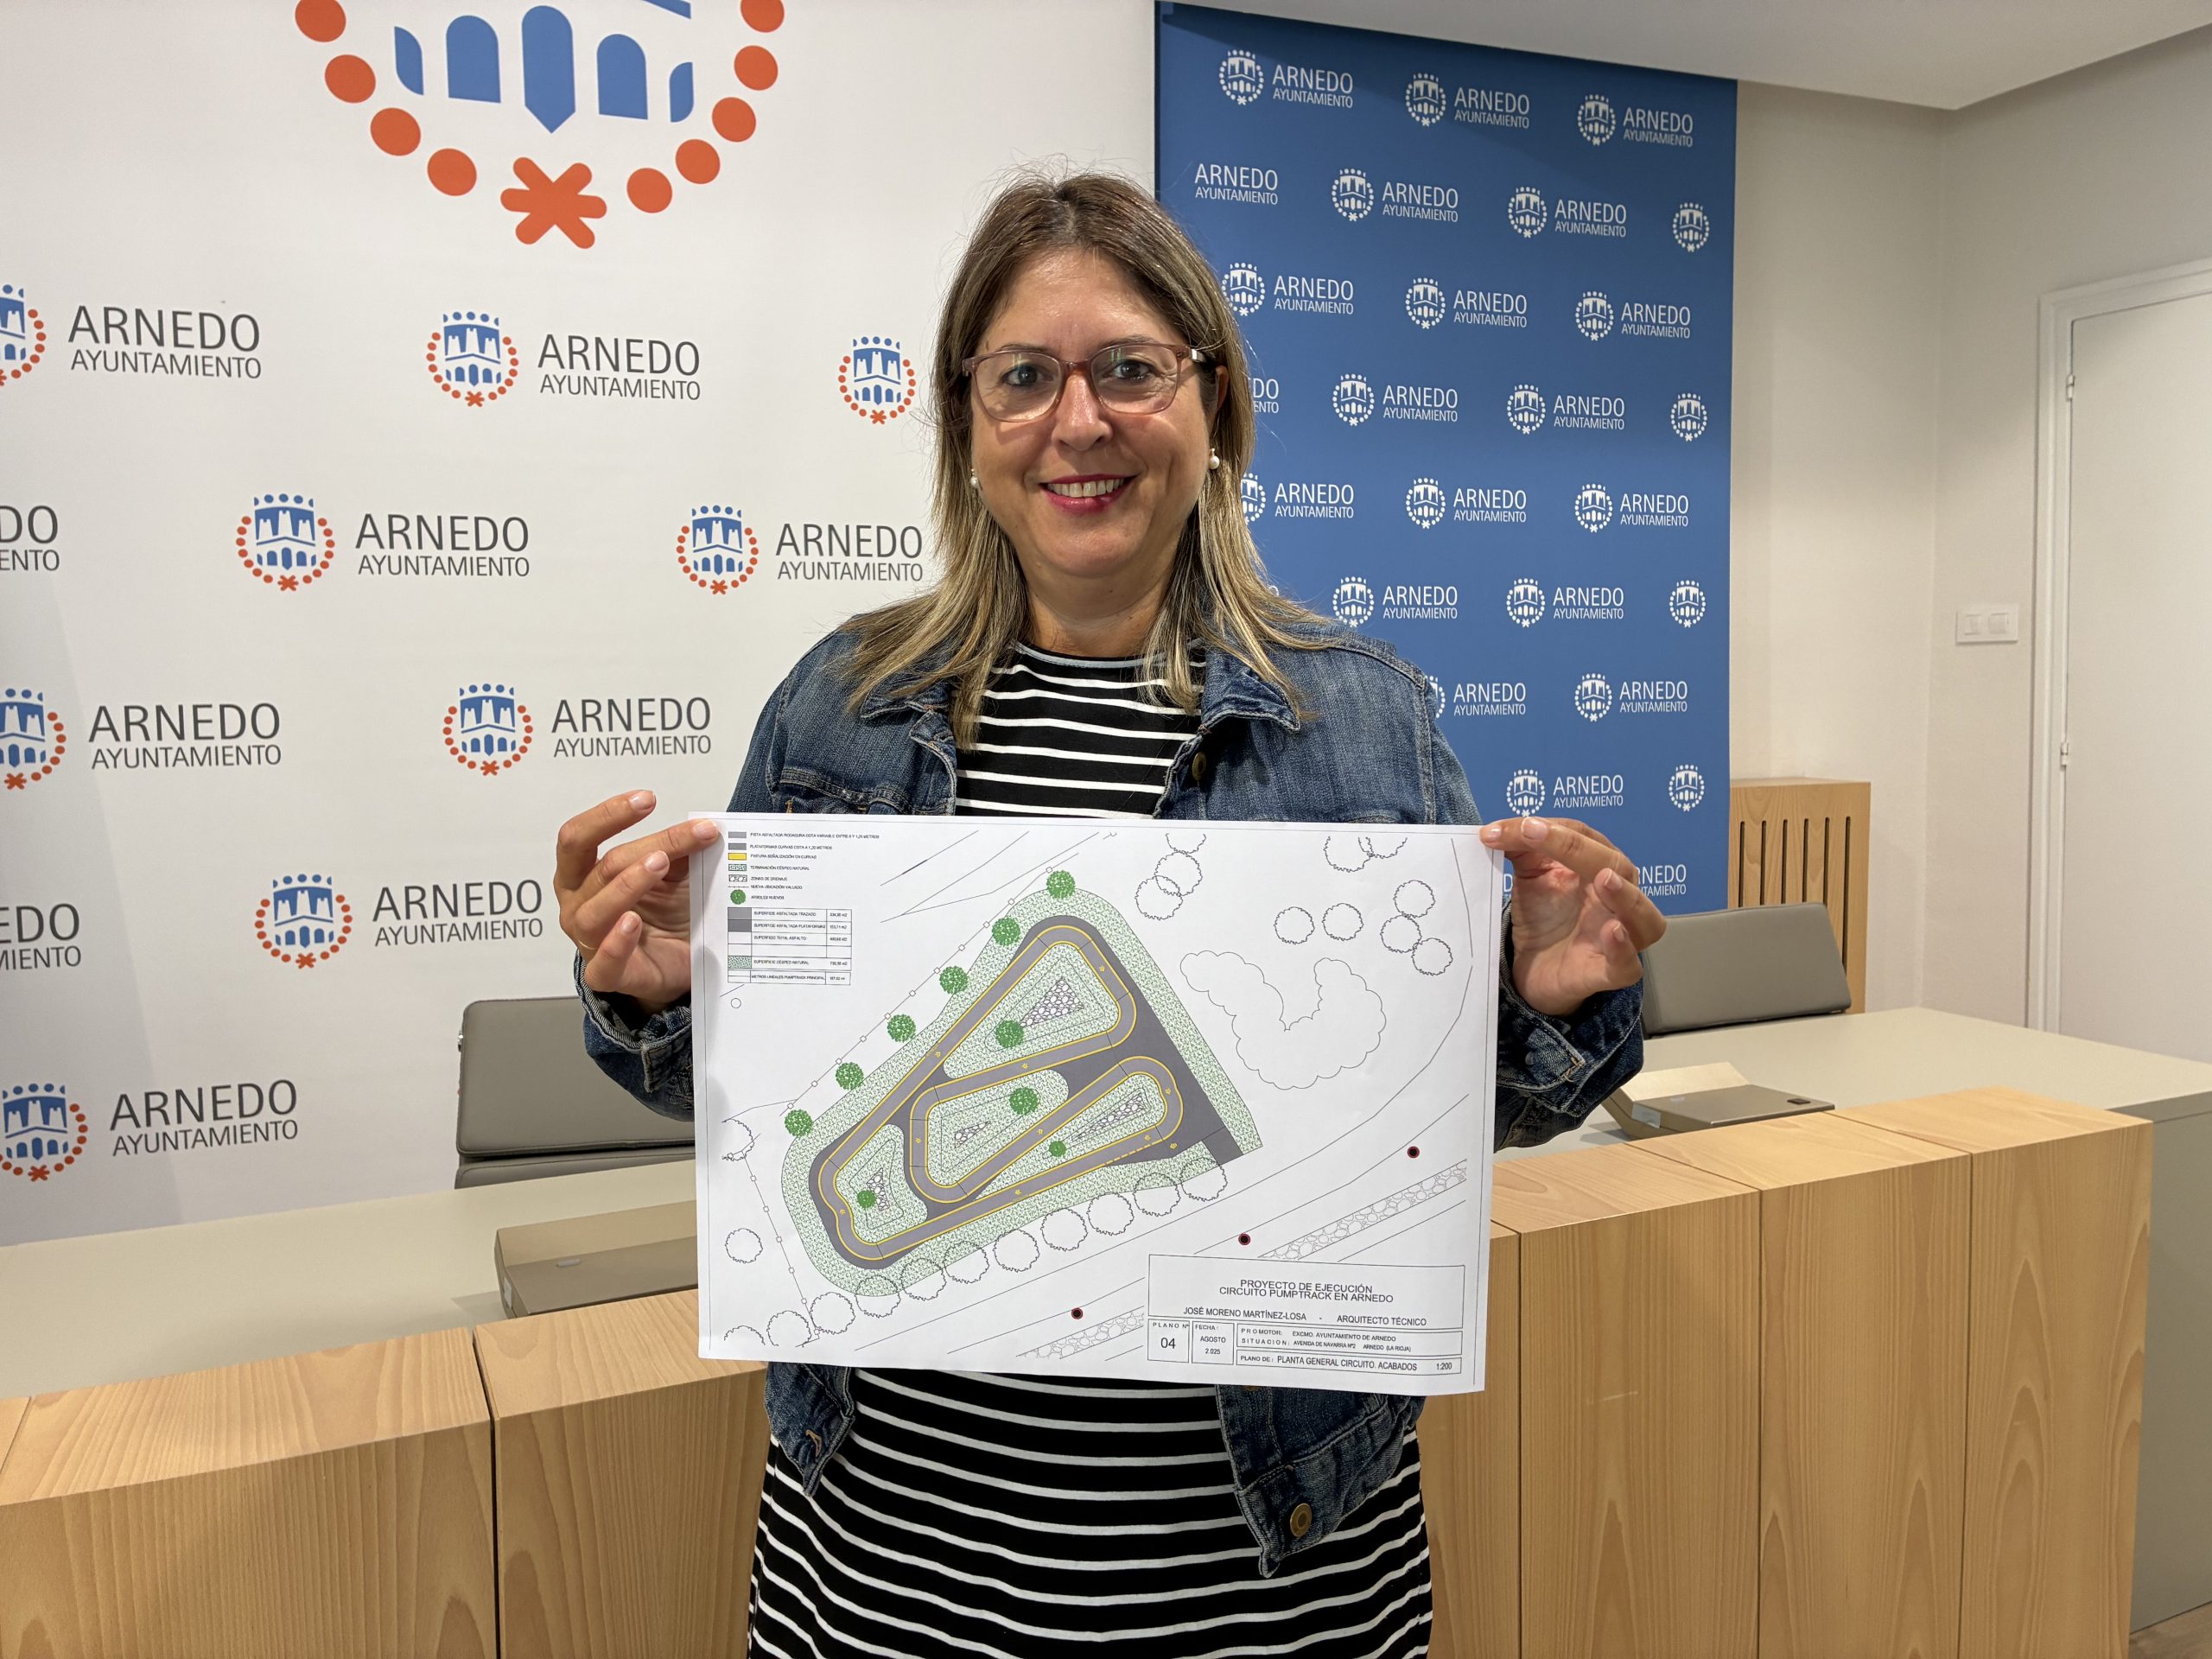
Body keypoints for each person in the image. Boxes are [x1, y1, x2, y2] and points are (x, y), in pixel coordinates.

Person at [555, 170, 1664, 1659]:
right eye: (1023, 376)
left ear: (1215, 408)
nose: (1077, 422)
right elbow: (742, 1112)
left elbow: (1439, 1131)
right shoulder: (839, 707)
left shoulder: (1365, 724)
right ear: (966, 425)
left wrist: (1543, 1009)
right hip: (892, 1570)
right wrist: (656, 998)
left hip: (1266, 1587)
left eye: (1130, 369)